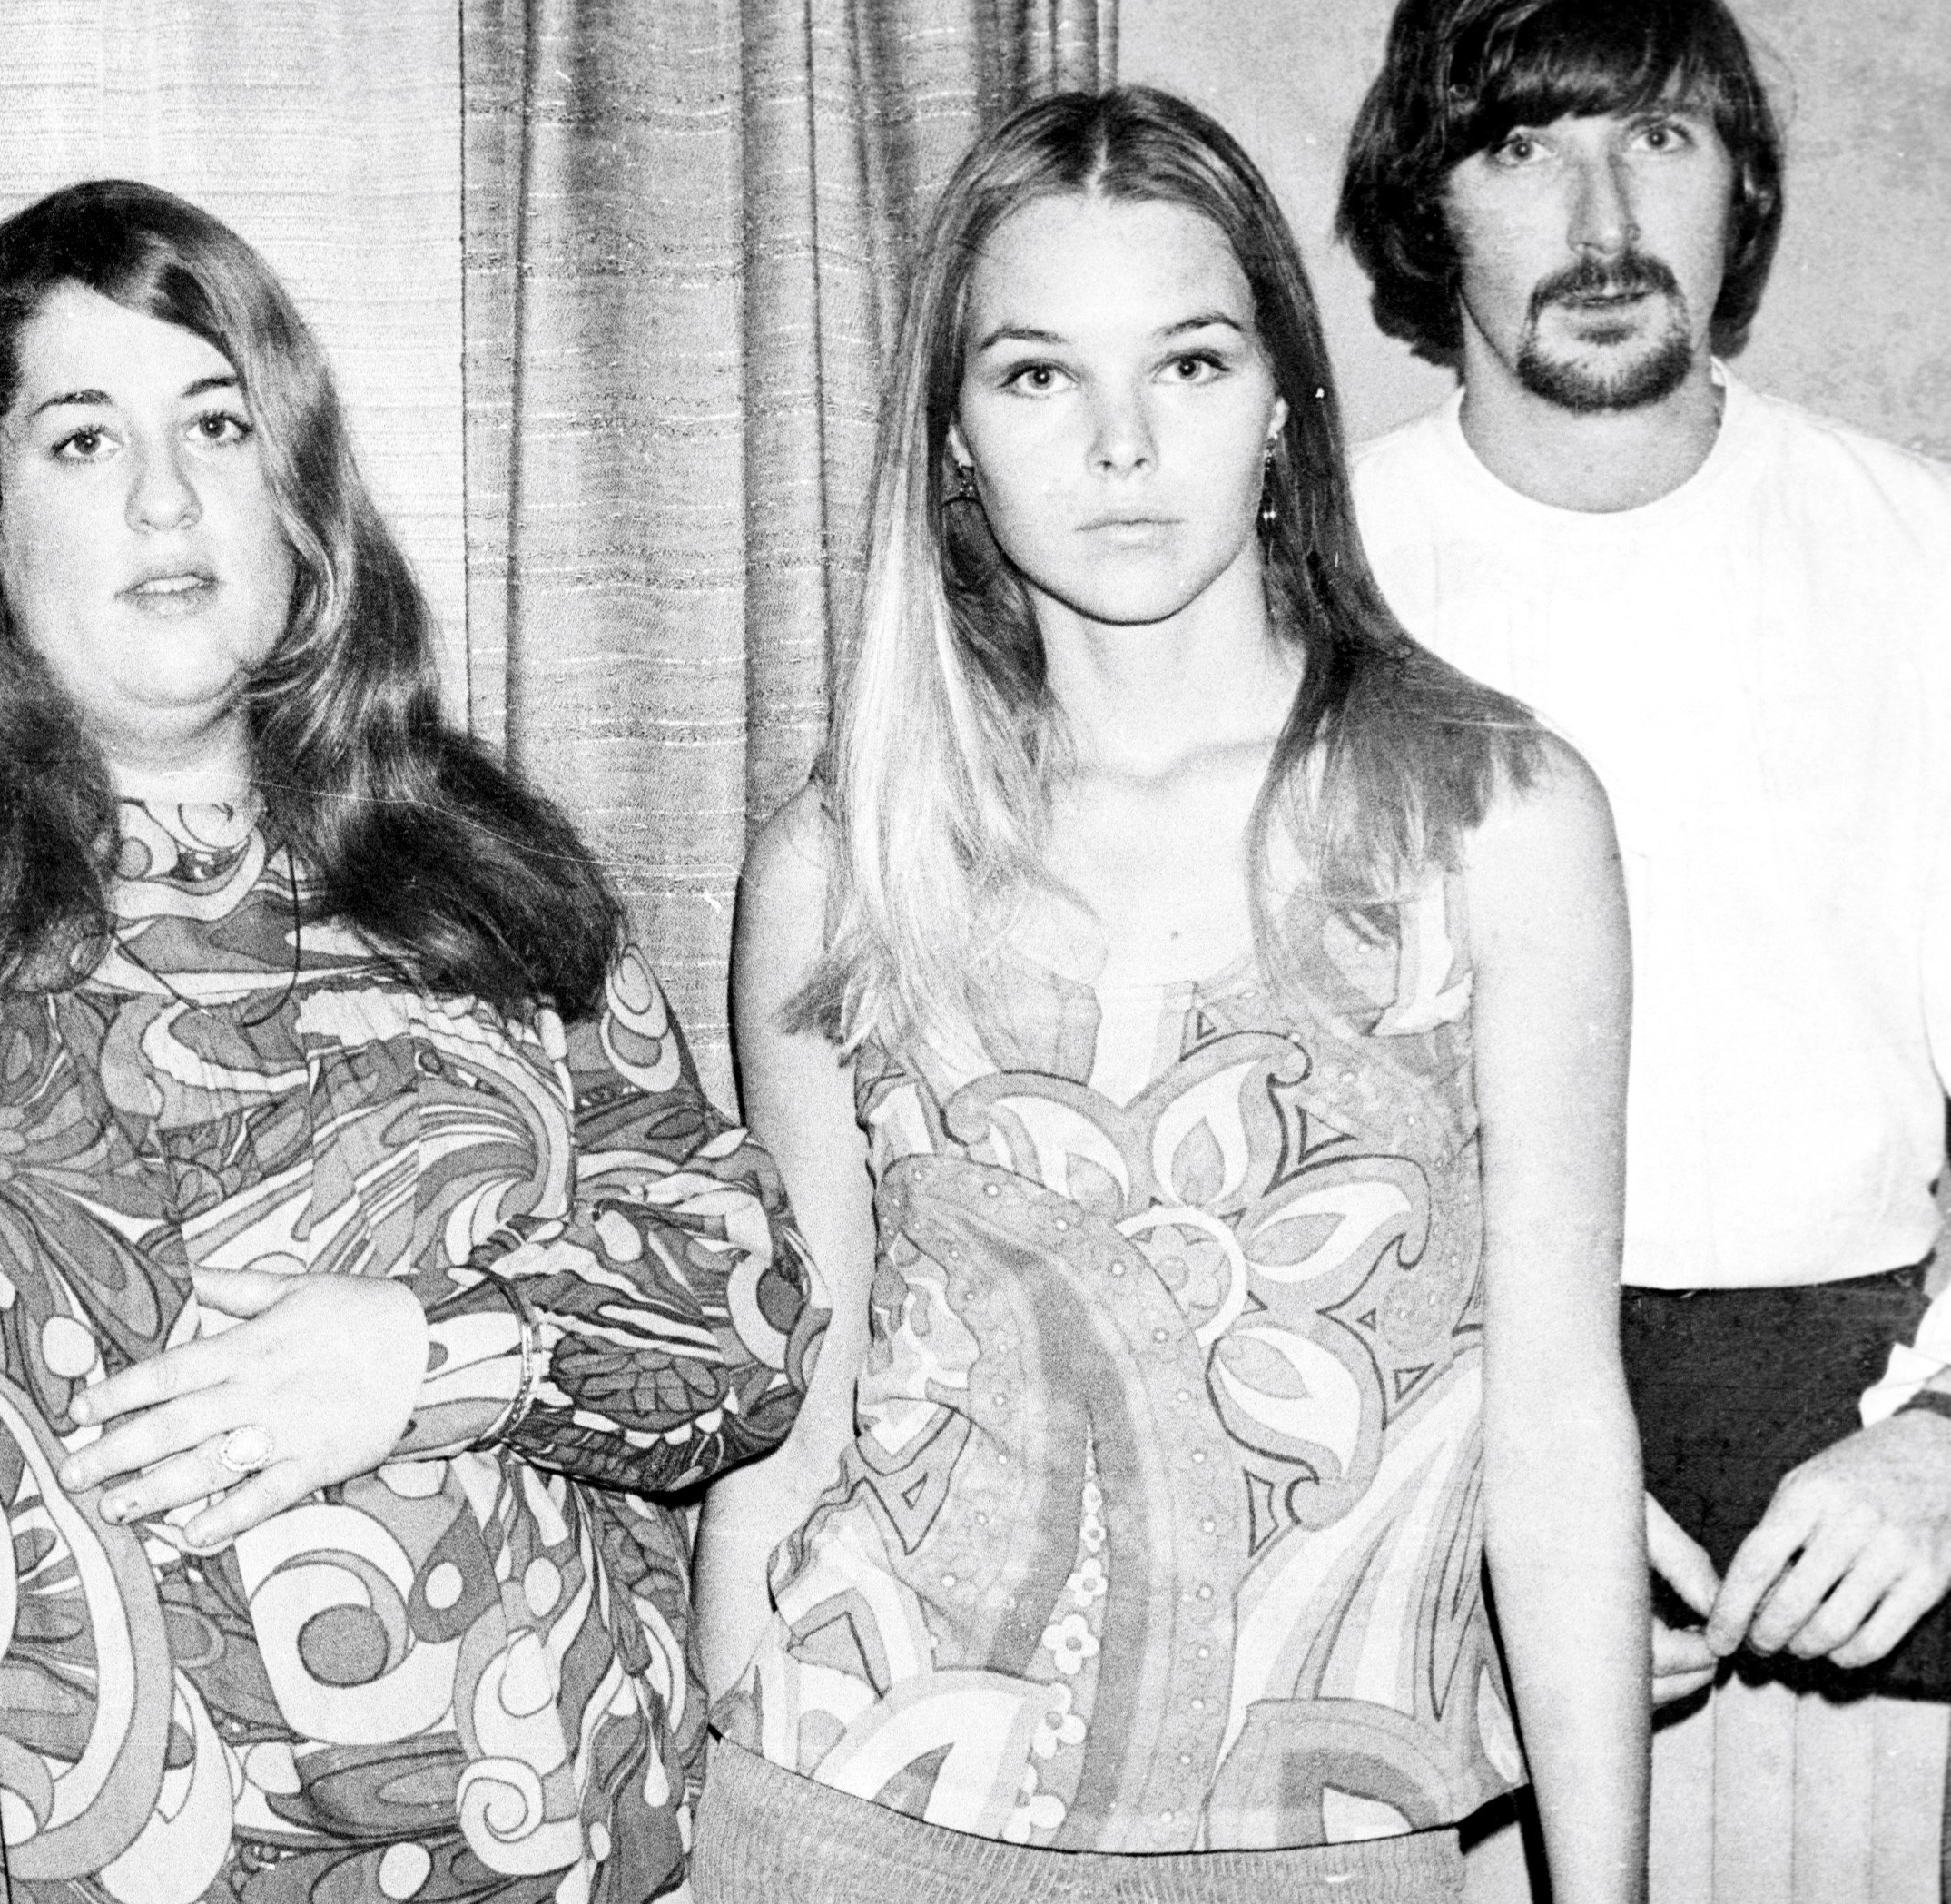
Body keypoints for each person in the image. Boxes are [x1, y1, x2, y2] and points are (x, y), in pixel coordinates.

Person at [0, 177, 823, 1902]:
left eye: (218, 425)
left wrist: (433, 1354)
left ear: (296, 490)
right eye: (83, 439)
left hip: (544, 1853)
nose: (165, 496)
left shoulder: (467, 860)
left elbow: (747, 1296)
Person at [691, 84, 1647, 1902]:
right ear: (954, 432)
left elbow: (1556, 1426)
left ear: (1282, 399)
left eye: (1189, 363)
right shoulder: (845, 854)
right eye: (1037, 374)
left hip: (1320, 1839)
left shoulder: (1491, 824)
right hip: (847, 1807)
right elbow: (793, 1416)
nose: (1120, 444)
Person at [1338, 0, 1951, 1890]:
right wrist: (1448, 1503)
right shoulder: (1309, 583)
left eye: (1659, 140)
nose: (1601, 221)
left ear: (1740, 190)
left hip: (1868, 1487)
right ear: (1428, 202)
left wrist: (1947, 1440)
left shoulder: (1919, 557)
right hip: (1414, 1496)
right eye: (1524, 148)